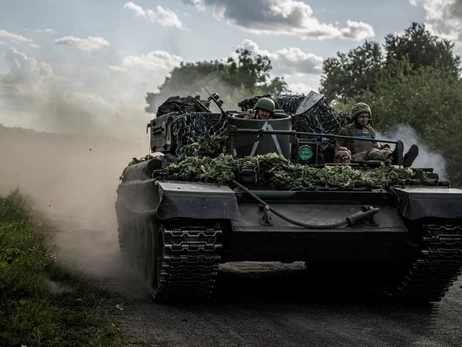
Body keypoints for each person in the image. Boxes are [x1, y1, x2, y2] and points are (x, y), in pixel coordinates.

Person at [334, 102, 419, 167]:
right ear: (355, 117)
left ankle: (401, 159)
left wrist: (383, 148)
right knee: (372, 152)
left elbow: (376, 146)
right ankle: (394, 157)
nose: (365, 119)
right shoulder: (345, 131)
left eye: (367, 117)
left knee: (384, 150)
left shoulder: (370, 130)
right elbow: (337, 151)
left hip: (369, 156)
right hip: (353, 158)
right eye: (362, 117)